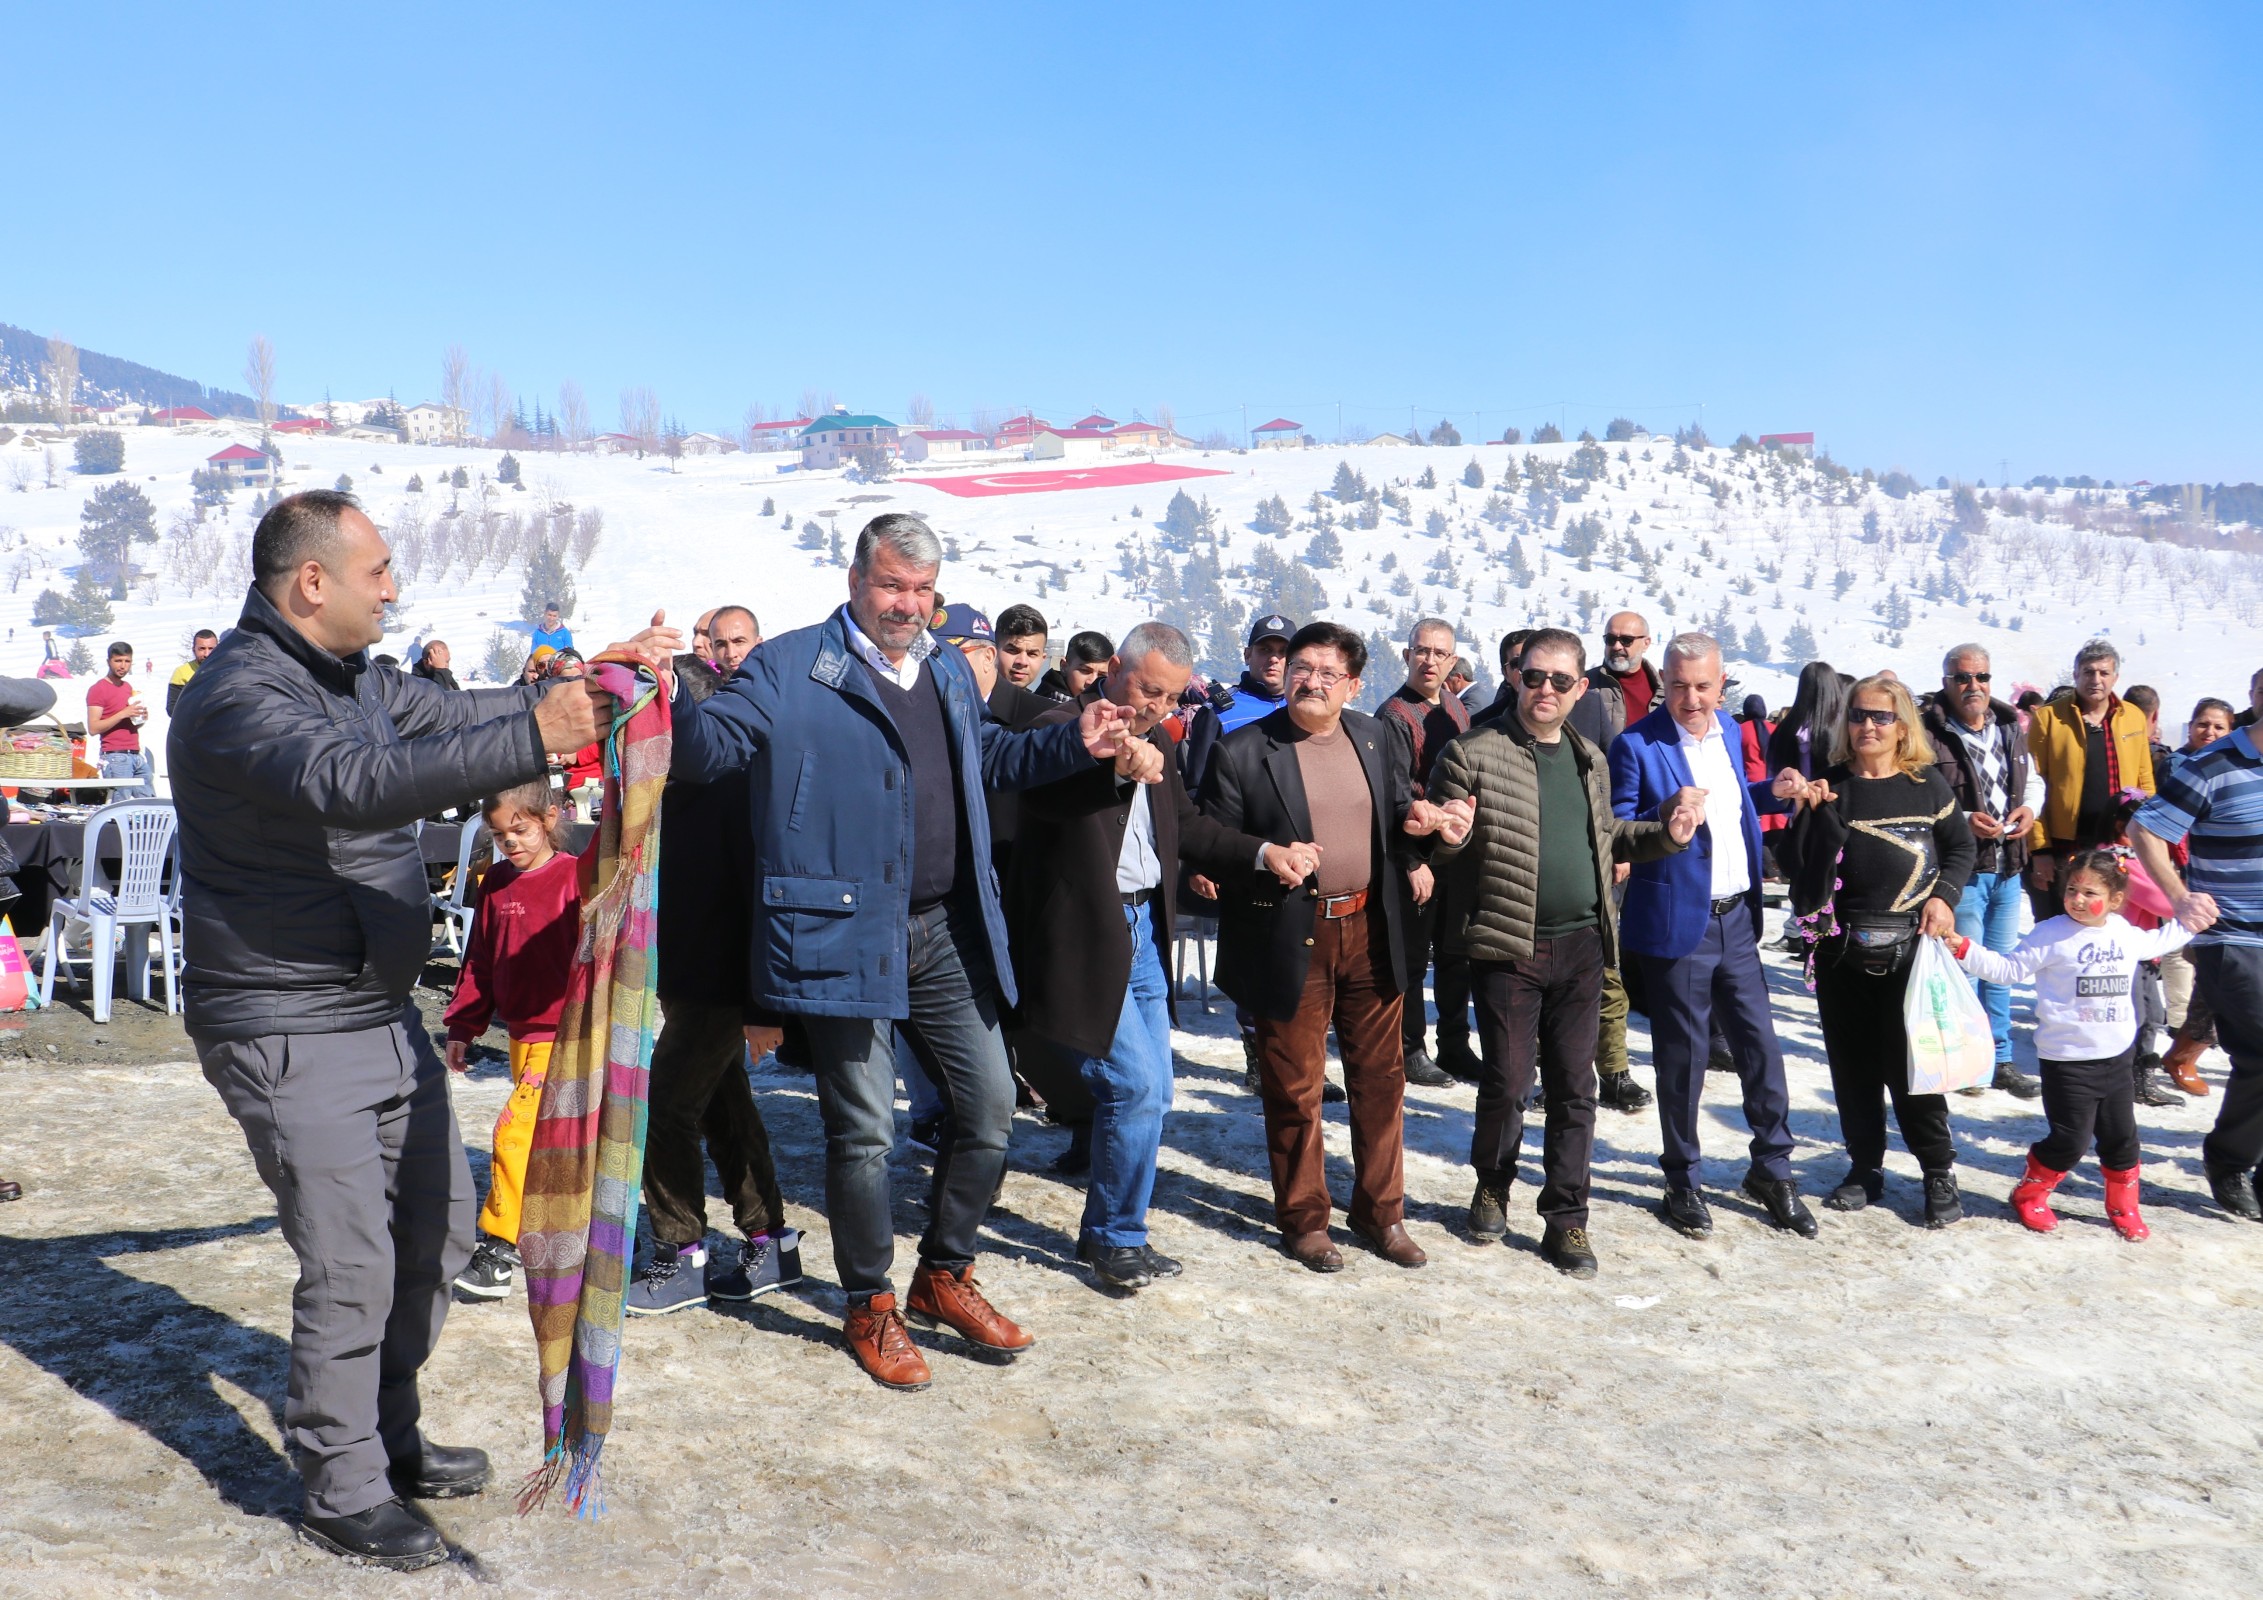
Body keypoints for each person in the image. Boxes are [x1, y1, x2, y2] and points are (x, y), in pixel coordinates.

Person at [168, 490, 624, 1569]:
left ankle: (386, 1431)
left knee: (441, 1232)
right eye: (377, 569)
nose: (394, 587)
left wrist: (573, 689)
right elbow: (351, 784)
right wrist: (531, 734)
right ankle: (342, 1483)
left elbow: (456, 718)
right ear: (310, 582)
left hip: (373, 1009)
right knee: (352, 1262)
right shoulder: (236, 696)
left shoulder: (360, 681)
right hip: (282, 1016)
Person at [669, 514, 1132, 1391]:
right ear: (853, 580)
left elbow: (990, 759)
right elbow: (709, 748)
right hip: (841, 929)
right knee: (865, 1132)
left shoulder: (949, 667)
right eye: (891, 587)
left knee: (991, 1106)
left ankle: (944, 1274)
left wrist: (1075, 740)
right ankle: (870, 1302)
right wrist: (654, 695)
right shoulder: (789, 665)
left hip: (947, 926)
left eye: (922, 591)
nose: (906, 605)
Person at [1007, 621, 1288, 1289]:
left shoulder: (1160, 738)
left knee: (1155, 1091)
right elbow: (1046, 790)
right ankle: (1114, 1237)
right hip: (1086, 936)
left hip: (1142, 933)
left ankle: (1112, 1226)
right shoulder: (1060, 725)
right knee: (1131, 1086)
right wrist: (1113, 763)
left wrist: (1260, 852)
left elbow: (1185, 828)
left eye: (1167, 697)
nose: (1153, 707)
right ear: (1111, 670)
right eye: (1144, 689)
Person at [1426, 628, 1696, 1277]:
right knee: (1508, 1081)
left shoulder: (1589, 759)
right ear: (1517, 678)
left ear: (1579, 689)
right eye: (1533, 676)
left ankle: (1566, 1219)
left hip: (1581, 943)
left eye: (1558, 680)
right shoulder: (1472, 753)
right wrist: (1447, 835)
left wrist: (1667, 833)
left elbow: (1606, 836)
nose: (1543, 689)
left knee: (1576, 1089)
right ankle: (1492, 1183)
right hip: (1507, 943)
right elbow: (1440, 842)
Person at [1201, 621, 1465, 1272]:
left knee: (1381, 1083)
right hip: (1288, 933)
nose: (1309, 680)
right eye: (1301, 666)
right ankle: (1304, 1221)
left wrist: (1428, 830)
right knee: (1294, 1089)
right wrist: (1265, 858)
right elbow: (1205, 838)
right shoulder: (1242, 749)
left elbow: (1399, 820)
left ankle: (1383, 1215)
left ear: (1351, 685)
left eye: (1326, 672)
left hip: (1372, 929)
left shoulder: (1375, 738)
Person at [1611, 632, 1822, 1241]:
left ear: (1721, 683)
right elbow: (1620, 829)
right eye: (1678, 686)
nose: (1692, 698)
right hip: (1679, 923)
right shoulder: (1636, 744)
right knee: (1685, 1059)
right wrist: (1666, 813)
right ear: (1663, 686)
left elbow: (1732, 807)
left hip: (1738, 918)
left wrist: (1771, 793)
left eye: (1703, 685)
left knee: (1760, 1047)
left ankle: (1772, 1169)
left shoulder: (1729, 731)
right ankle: (1682, 1177)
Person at [630, 602, 801, 1316]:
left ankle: (681, 1251)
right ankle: (770, 1240)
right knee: (722, 1105)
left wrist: (764, 1007)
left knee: (664, 1105)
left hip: (721, 980)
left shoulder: (730, 787)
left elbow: (761, 896)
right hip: (689, 975)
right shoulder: (670, 789)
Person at [1784, 675, 1975, 1225]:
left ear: (1902, 727)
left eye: (1882, 717)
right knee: (1854, 1069)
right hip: (1842, 951)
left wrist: (1944, 897)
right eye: (1859, 715)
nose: (1868, 725)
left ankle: (1939, 1173)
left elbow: (1960, 846)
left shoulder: (1928, 785)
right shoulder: (1832, 785)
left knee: (1913, 1067)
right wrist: (1809, 815)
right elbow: (1801, 870)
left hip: (1911, 949)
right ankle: (1865, 1168)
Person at [1954, 848, 2191, 1241]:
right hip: (2067, 1062)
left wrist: (2195, 918)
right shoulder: (2050, 933)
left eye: (2090, 893)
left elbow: (2160, 940)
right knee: (2070, 1141)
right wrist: (1962, 946)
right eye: (2072, 890)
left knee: (2122, 1139)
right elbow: (2005, 969)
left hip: (2116, 1060)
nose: (2078, 900)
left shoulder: (2123, 933)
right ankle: (2030, 1194)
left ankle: (2123, 1206)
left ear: (2115, 900)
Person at [2128, 667, 2263, 1223]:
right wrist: (2181, 898)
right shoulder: (2212, 765)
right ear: (2257, 696)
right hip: (2230, 937)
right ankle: (2229, 1161)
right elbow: (2145, 829)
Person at [443, 781, 582, 1302]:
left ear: (549, 817)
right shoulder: (495, 882)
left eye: (519, 830)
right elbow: (479, 956)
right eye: (500, 835)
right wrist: (464, 1024)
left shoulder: (575, 877)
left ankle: (499, 1250)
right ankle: (555, 1234)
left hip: (565, 1037)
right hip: (520, 1036)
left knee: (514, 1134)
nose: (510, 843)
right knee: (544, 1142)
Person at [2024, 639, 2172, 1108]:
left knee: (2115, 947)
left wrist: (2141, 836)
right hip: (2066, 849)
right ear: (2076, 672)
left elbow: (2146, 783)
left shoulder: (2130, 718)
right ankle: (2066, 1036)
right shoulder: (2050, 719)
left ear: (2115, 676)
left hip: (2117, 852)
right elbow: (2036, 786)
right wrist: (2041, 849)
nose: (2096, 679)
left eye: (2104, 672)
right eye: (2088, 670)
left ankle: (2116, 1042)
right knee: (2063, 942)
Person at [1920, 644, 2042, 1100]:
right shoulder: (1929, 733)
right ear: (1946, 681)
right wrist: (1964, 816)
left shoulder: (2009, 726)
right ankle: (1969, 1061)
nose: (1974, 686)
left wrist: (2031, 807)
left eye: (1982, 677)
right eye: (1963, 678)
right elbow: (1921, 796)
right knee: (1964, 967)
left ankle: (2002, 1059)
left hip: (2008, 864)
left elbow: (2032, 780)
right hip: (1963, 868)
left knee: (2001, 966)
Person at [1377, 618, 1475, 1088]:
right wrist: (1411, 860)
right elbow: (1390, 799)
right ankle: (1409, 1048)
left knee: (1457, 952)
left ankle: (1455, 1045)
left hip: (1454, 851)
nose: (1429, 660)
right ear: (1407, 654)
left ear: (1453, 661)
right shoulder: (1394, 716)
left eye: (1440, 653)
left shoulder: (1456, 710)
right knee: (1414, 957)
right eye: (1421, 650)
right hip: (1413, 853)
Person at [2157, 696, 2239, 1094]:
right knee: (2215, 977)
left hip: (2240, 883)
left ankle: (2187, 1050)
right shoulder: (2179, 768)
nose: (2209, 732)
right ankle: (2184, 1052)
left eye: (2219, 727)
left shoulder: (2240, 765)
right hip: (2201, 884)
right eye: (2203, 724)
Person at [86, 641, 154, 798]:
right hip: (114, 755)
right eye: (118, 661)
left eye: (127, 661)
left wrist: (140, 717)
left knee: (148, 805)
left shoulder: (128, 687)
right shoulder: (98, 689)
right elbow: (94, 728)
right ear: (108, 661)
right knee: (120, 805)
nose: (123, 666)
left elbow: (129, 724)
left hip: (136, 754)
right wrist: (123, 713)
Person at [1591, 611, 1661, 727]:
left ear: (1646, 643)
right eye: (1610, 639)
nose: (1617, 646)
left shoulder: (1665, 690)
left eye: (1626, 640)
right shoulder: (1585, 686)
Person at [1037, 630, 1112, 703]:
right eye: (1085, 671)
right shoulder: (1048, 706)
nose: (1092, 681)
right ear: (1064, 667)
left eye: (1102, 675)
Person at [994, 602, 1050, 691]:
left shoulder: (1041, 704)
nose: (1022, 662)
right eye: (1012, 650)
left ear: (1042, 659)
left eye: (1032, 654)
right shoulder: (970, 701)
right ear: (993, 653)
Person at [168, 628, 219, 712]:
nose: (206, 654)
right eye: (202, 649)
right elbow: (172, 709)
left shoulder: (227, 669)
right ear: (193, 649)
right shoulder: (181, 673)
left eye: (211, 648)